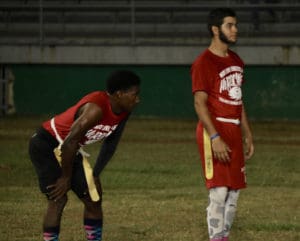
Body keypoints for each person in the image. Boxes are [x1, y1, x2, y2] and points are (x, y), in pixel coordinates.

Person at [29, 70, 141, 241]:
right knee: (58, 200)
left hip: (70, 149)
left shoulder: (124, 110)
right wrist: (66, 178)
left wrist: (95, 173)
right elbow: (69, 142)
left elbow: (111, 143)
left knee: (93, 198)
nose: (138, 99)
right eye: (135, 94)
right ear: (119, 94)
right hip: (47, 144)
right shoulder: (95, 109)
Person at [190, 8, 254, 241]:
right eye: (230, 25)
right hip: (214, 131)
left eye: (235, 25)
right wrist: (214, 137)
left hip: (234, 129)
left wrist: (247, 133)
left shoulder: (237, 60)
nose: (235, 29)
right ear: (215, 30)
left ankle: (223, 236)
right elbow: (199, 103)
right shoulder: (203, 62)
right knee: (219, 191)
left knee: (234, 192)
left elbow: (238, 100)